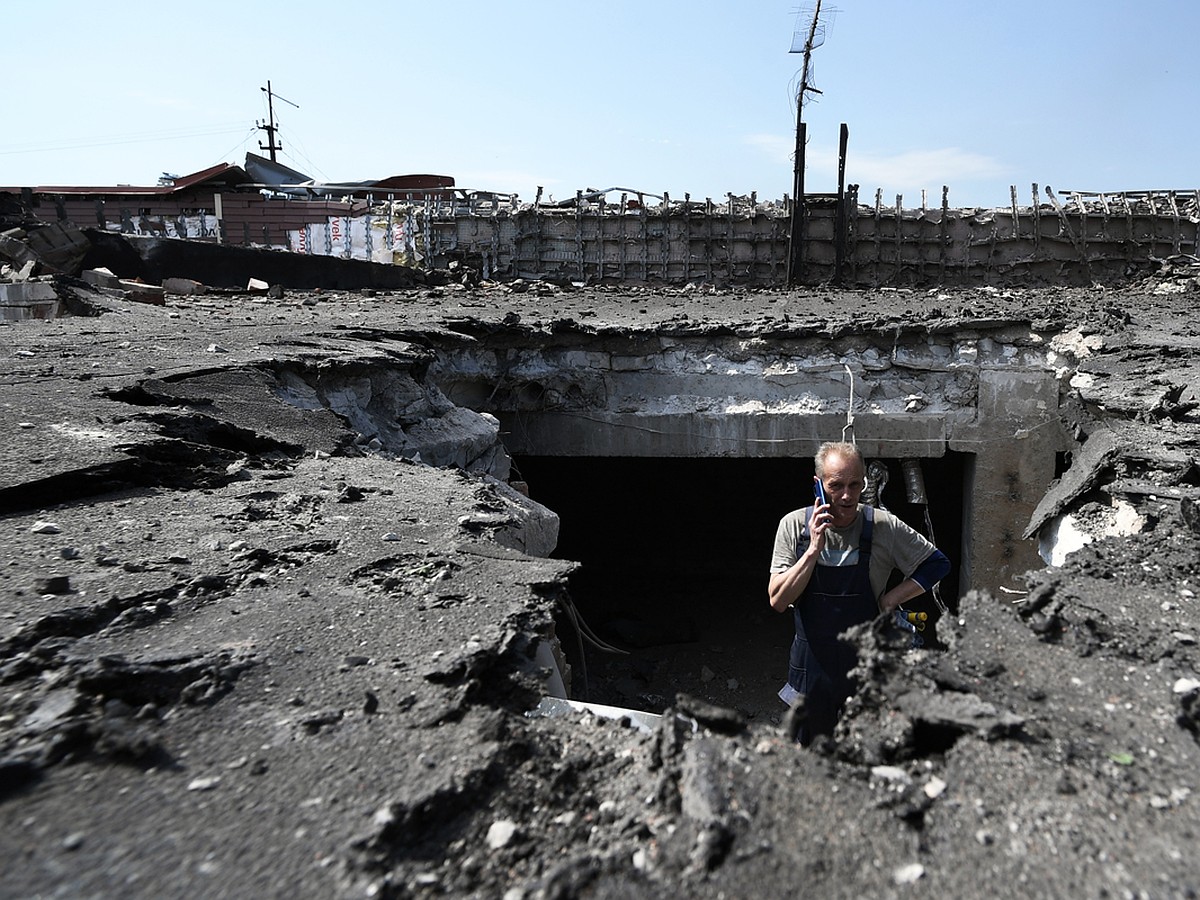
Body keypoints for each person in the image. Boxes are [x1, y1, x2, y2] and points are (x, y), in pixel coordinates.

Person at [768, 441, 950, 745]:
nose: (847, 496)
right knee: (812, 756)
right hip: (812, 667)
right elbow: (778, 600)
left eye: (855, 485)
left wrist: (892, 598)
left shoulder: (883, 527)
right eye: (836, 486)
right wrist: (813, 549)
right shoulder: (793, 527)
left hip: (866, 665)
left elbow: (937, 564)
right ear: (819, 485)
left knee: (869, 752)